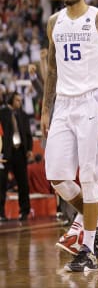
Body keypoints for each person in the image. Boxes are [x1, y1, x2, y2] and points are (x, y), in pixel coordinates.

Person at [41, 0, 98, 272]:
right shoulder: (53, 22)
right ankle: (96, 221)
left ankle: (88, 248)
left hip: (93, 100)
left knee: (88, 177)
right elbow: (51, 69)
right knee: (57, 176)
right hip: (63, 102)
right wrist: (46, 109)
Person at [0, 92, 33, 221]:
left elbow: (28, 134)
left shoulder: (23, 115)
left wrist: (29, 149)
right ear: (11, 100)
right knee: (1, 184)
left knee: (23, 183)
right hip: (6, 153)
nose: (20, 103)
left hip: (20, 152)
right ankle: (1, 213)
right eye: (17, 100)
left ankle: (24, 211)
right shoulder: (2, 113)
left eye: (20, 100)